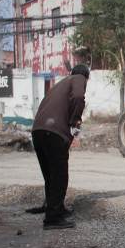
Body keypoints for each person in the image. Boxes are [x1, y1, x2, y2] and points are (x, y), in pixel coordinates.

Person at [31, 65, 89, 230]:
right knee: (59, 175)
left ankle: (54, 207)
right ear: (86, 77)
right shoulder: (78, 78)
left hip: (38, 132)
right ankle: (52, 218)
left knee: (50, 176)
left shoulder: (59, 85)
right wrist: (75, 121)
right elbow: (78, 97)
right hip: (54, 133)